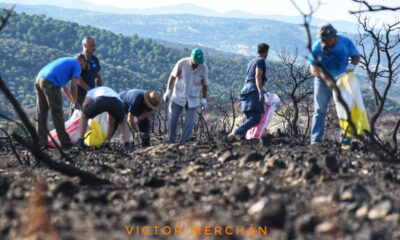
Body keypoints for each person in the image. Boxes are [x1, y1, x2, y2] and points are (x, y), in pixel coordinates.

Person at [309, 23, 360, 149]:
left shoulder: (345, 42)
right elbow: (313, 70)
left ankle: (346, 141)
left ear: (334, 36)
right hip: (323, 81)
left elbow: (356, 56)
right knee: (319, 109)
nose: (325, 42)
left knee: (344, 109)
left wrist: (352, 65)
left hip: (342, 79)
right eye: (322, 39)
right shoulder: (317, 47)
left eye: (327, 39)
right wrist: (326, 79)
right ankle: (315, 140)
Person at [35, 54, 87, 149]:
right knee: (57, 113)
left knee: (42, 113)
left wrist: (72, 100)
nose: (82, 69)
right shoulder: (77, 64)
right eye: (84, 66)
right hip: (51, 83)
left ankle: (41, 142)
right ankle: (66, 143)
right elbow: (74, 86)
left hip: (39, 79)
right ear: (82, 61)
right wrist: (76, 103)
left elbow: (64, 87)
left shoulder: (67, 61)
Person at [163, 48, 208, 144]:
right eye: (195, 61)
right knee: (172, 119)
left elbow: (205, 84)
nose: (197, 64)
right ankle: (171, 141)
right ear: (191, 57)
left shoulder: (203, 67)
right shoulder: (182, 63)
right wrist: (168, 91)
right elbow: (172, 76)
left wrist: (204, 98)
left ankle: (184, 142)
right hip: (178, 95)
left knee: (190, 122)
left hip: (193, 97)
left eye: (198, 62)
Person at [228, 43, 269, 140]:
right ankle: (236, 133)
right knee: (256, 118)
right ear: (266, 52)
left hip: (245, 90)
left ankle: (241, 137)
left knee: (249, 117)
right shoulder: (261, 61)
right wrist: (260, 92)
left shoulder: (251, 61)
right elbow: (258, 75)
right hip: (253, 89)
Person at [71, 36, 102, 115]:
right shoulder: (79, 58)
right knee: (76, 118)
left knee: (89, 117)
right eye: (92, 46)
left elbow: (98, 76)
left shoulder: (95, 59)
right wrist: (87, 89)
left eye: (95, 45)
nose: (94, 48)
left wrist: (101, 90)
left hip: (91, 95)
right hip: (79, 95)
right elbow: (77, 78)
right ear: (85, 45)